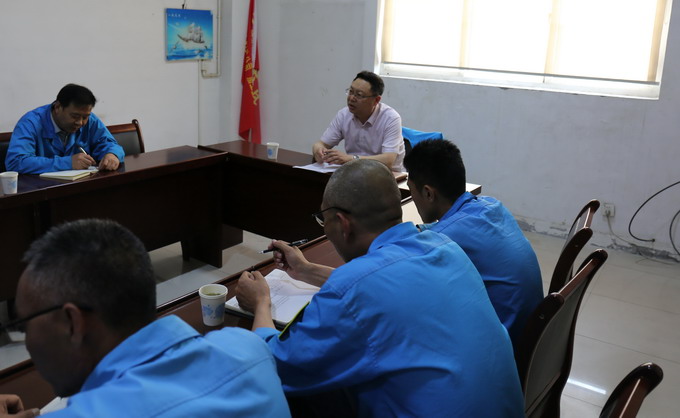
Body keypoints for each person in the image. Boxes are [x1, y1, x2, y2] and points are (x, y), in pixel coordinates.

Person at [236, 159, 524, 417]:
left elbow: (273, 366)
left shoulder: (354, 289)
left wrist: (261, 303)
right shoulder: (445, 246)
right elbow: (376, 283)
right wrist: (305, 269)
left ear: (343, 223)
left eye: (324, 219)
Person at [8, 219, 290, 417]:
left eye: (24, 324)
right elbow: (261, 341)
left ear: (73, 323)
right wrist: (262, 303)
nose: (28, 341)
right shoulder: (251, 350)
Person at [403, 139, 544, 346]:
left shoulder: (442, 241)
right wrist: (422, 229)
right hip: (534, 336)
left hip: (506, 346)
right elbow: (455, 227)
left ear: (428, 193)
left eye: (411, 190)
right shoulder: (492, 205)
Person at [5, 84, 124, 174]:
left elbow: (109, 143)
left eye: (85, 117)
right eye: (75, 116)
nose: (80, 122)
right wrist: (67, 163)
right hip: (42, 190)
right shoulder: (30, 123)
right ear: (57, 107)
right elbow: (15, 162)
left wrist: (112, 154)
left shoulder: (90, 120)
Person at [312, 71, 405, 172]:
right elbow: (321, 144)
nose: (351, 98)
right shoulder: (344, 115)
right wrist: (318, 150)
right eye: (351, 92)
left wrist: (351, 159)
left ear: (376, 100)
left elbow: (388, 160)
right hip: (355, 173)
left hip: (387, 176)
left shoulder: (391, 118)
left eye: (359, 95)